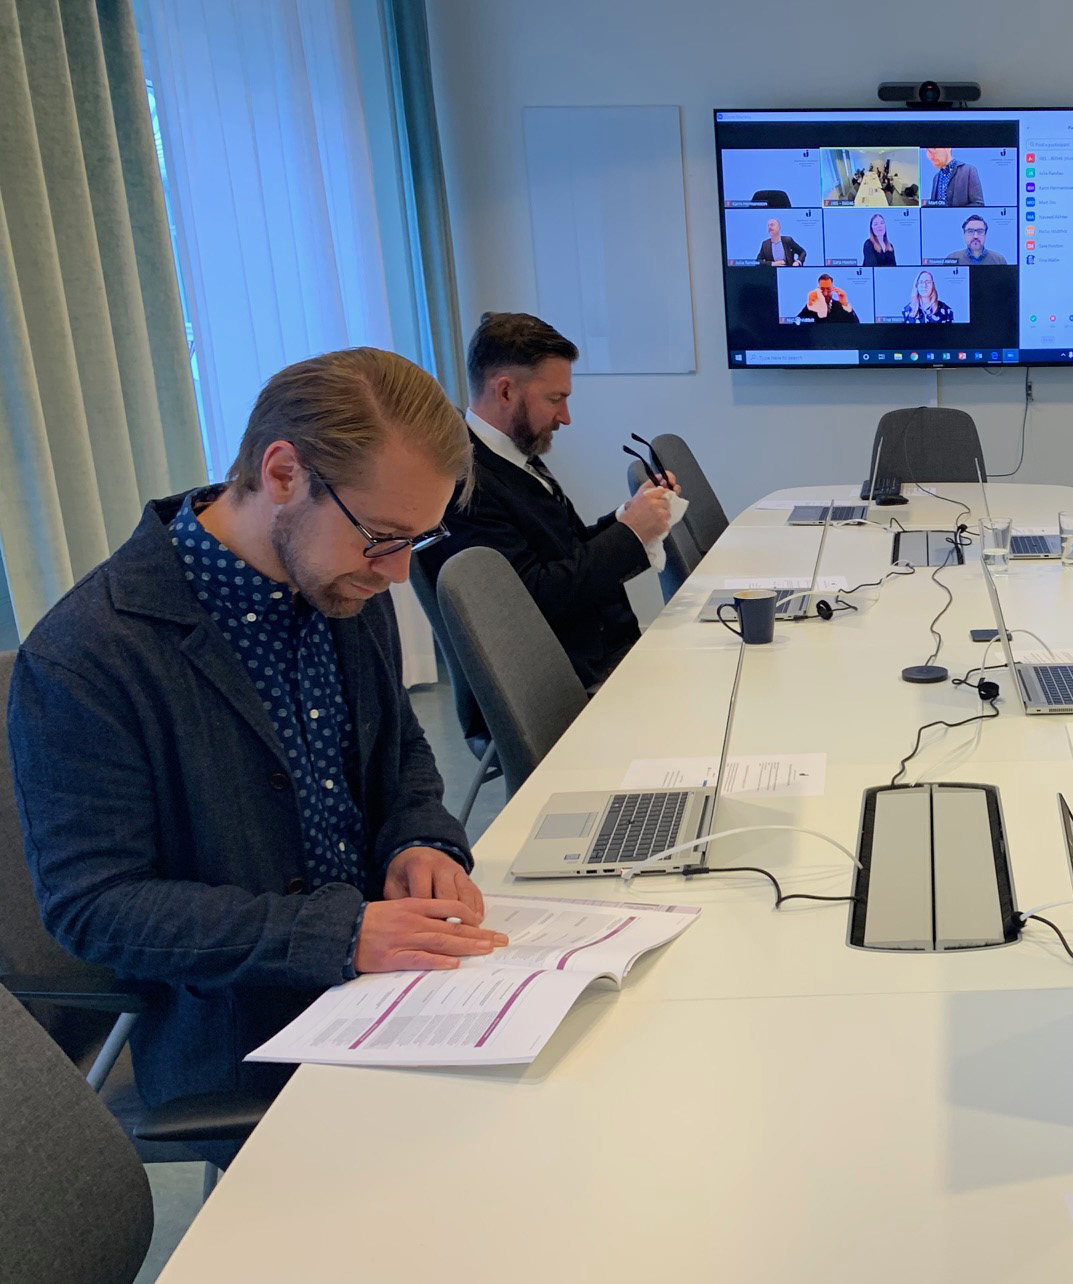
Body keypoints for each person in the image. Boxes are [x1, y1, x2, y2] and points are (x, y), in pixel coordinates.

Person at [9, 348, 510, 1119]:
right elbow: (95, 906)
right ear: (283, 474)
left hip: (402, 993)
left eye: (418, 540)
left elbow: (400, 748)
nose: (400, 573)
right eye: (382, 537)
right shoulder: (90, 654)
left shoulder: (344, 577)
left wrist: (422, 840)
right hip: (247, 1046)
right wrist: (337, 935)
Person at [417, 312, 680, 689]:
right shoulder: (463, 484)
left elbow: (564, 554)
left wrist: (630, 517)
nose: (566, 417)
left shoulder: (514, 453)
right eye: (555, 399)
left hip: (606, 656)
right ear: (505, 391)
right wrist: (629, 533)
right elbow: (531, 599)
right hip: (564, 684)